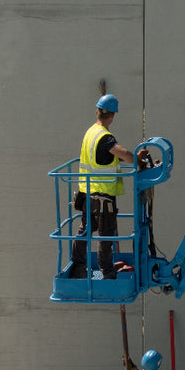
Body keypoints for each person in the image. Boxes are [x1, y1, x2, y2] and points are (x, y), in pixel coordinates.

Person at [67, 94, 135, 280]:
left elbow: (103, 156)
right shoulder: (105, 137)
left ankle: (77, 266)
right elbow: (121, 153)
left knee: (86, 228)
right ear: (112, 115)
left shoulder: (90, 132)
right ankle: (108, 272)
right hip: (103, 195)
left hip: (88, 192)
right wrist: (139, 159)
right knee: (106, 235)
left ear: (97, 111)